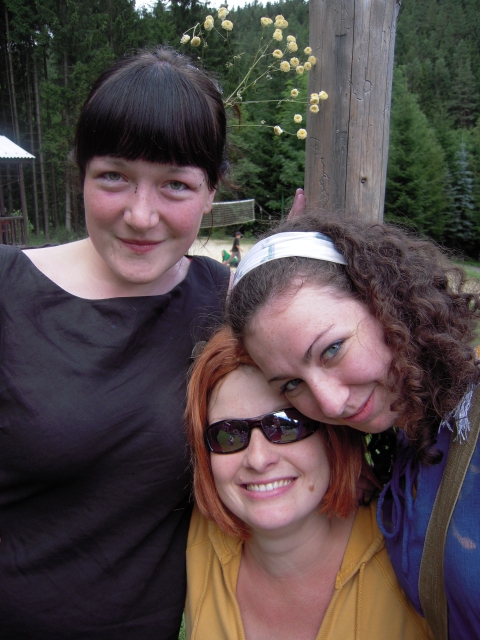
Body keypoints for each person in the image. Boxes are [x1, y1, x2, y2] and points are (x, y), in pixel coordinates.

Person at [0, 47, 231, 639]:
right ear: (81, 172)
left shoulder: (229, 306)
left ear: (211, 192)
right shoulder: (7, 289)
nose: (141, 215)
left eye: (176, 184)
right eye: (114, 176)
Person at [225, 212, 480, 640]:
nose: (329, 402)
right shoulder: (409, 438)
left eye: (332, 350)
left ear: (386, 301)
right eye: (291, 385)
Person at [184, 326, 432, 640]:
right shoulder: (197, 539)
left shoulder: (418, 557)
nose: (258, 459)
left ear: (332, 437)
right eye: (228, 435)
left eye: (286, 425)